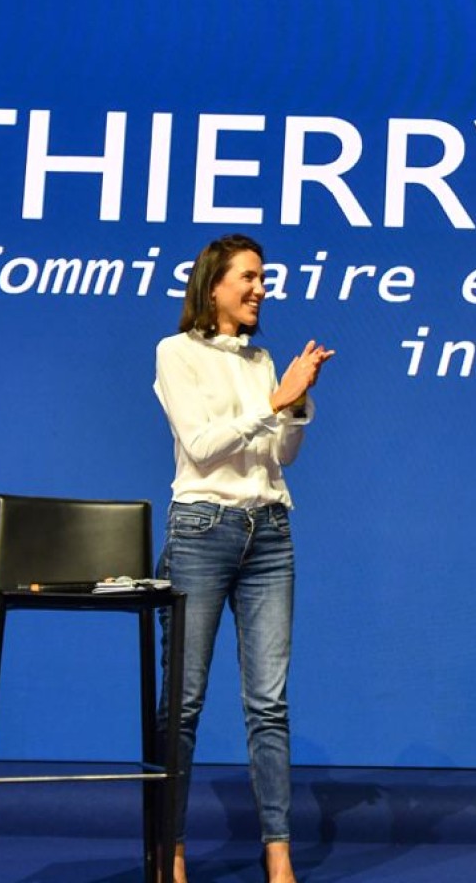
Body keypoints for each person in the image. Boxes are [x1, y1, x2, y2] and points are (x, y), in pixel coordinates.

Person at [154, 234, 332, 883]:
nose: (261, 289)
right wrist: (275, 402)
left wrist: (298, 402)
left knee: (269, 703)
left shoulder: (261, 360)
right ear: (214, 286)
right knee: (184, 703)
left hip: (271, 532)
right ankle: (169, 851)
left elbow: (280, 456)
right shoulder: (176, 352)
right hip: (202, 530)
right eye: (249, 278)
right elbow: (202, 447)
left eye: (263, 279)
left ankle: (278, 853)